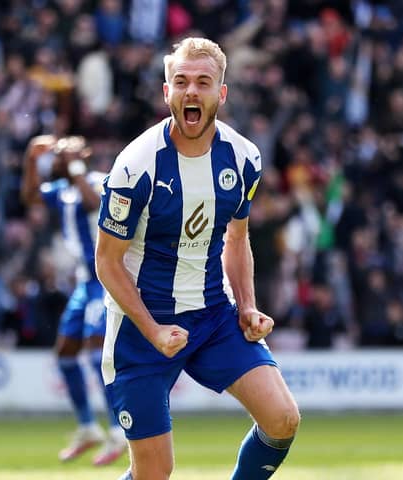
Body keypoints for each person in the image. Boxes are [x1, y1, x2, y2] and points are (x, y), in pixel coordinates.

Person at [95, 37, 300, 480]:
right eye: (181, 81)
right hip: (140, 329)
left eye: (203, 82)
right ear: (165, 91)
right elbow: (107, 262)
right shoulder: (135, 167)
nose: (192, 91)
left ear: (220, 94)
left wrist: (246, 305)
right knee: (154, 473)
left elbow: (237, 238)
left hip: (212, 316)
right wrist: (152, 330)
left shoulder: (244, 159)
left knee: (282, 419)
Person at [20, 135, 127, 466]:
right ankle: (87, 427)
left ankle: (118, 431)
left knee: (98, 353)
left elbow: (95, 203)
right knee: (65, 352)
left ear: (83, 156)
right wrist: (29, 160)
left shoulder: (96, 181)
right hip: (84, 283)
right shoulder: (63, 190)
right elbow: (30, 196)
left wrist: (74, 163)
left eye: (65, 153)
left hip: (106, 279)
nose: (57, 159)